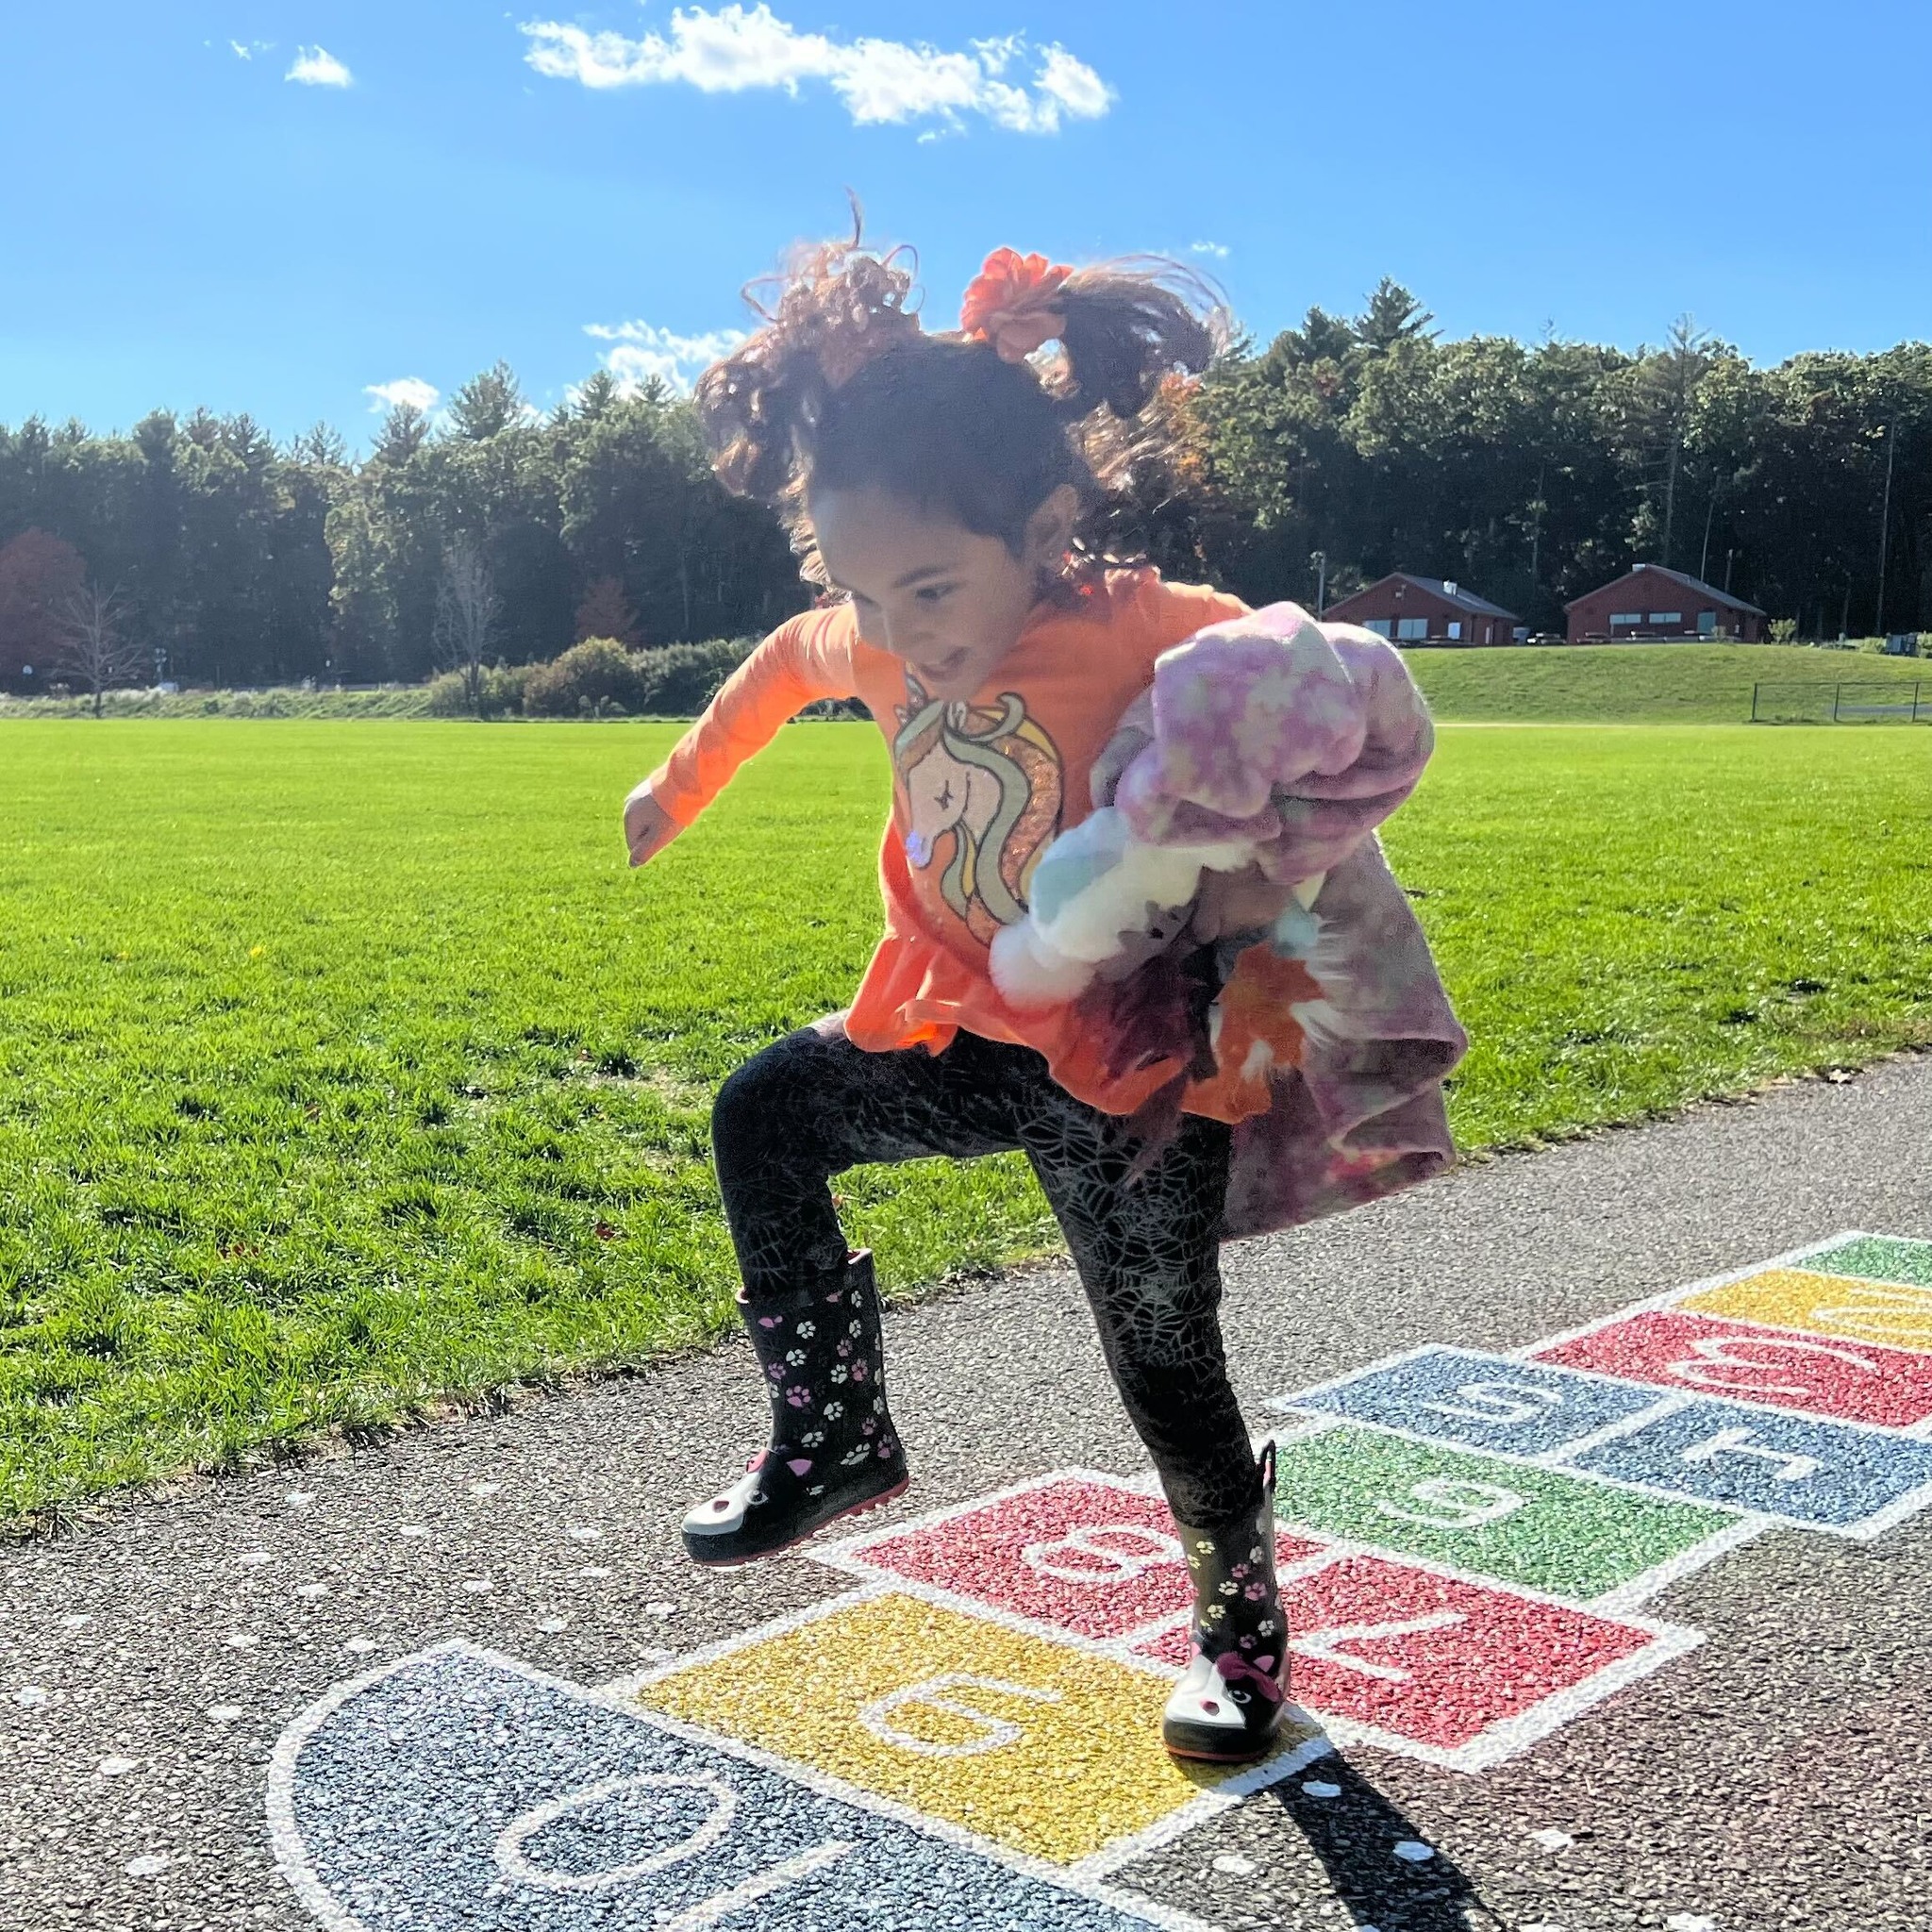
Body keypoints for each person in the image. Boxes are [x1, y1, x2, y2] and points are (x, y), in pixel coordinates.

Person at [622, 233, 1464, 1764]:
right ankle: (834, 1432)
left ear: (1048, 525)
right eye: (869, 594)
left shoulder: (1142, 623)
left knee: (1162, 1367)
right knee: (766, 1112)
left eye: (935, 587)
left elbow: (1321, 687)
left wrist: (1260, 844)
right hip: (954, 1035)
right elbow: (774, 672)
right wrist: (671, 790)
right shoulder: (873, 636)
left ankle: (1242, 1634)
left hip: (1127, 1078)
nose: (906, 634)